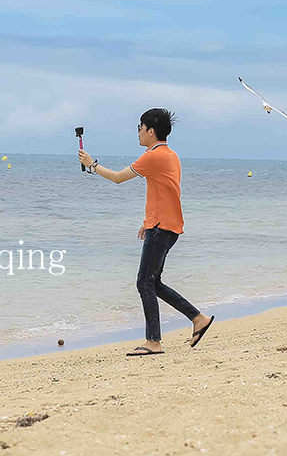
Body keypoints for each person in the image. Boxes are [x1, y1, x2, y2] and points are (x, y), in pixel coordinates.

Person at [79, 108, 214, 357]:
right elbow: (164, 190)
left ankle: (154, 341)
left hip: (162, 227)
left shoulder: (154, 157)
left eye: (140, 127)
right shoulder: (169, 155)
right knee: (154, 283)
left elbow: (118, 178)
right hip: (164, 224)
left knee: (144, 282)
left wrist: (92, 164)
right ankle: (198, 318)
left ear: (151, 130)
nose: (138, 132)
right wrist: (147, 220)